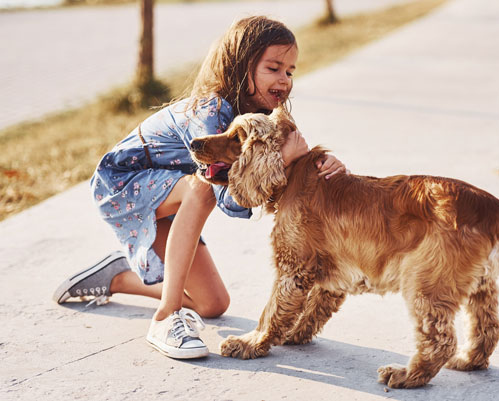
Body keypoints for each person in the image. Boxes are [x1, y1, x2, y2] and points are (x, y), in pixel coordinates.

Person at [52, 16, 346, 360]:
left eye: (290, 71)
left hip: (169, 195)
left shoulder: (258, 116)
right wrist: (283, 159)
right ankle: (165, 317)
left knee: (213, 303)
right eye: (273, 68)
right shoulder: (212, 110)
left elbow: (276, 173)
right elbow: (230, 197)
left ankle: (118, 277)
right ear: (242, 64)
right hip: (122, 184)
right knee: (202, 186)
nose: (284, 80)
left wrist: (324, 166)